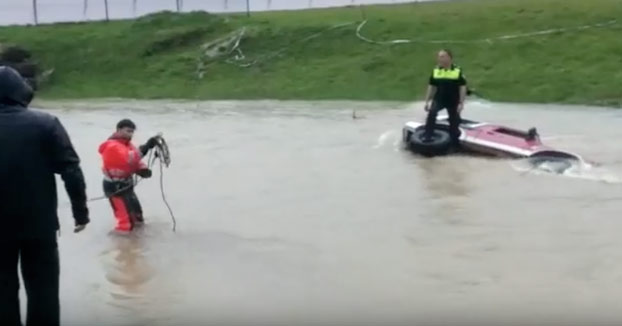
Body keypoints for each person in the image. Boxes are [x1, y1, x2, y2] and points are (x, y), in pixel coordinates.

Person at [0, 66, 90, 326]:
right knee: (44, 292)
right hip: (39, 227)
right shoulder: (45, 123)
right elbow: (71, 171)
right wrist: (80, 214)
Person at [98, 119, 160, 233]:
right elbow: (129, 159)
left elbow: (134, 160)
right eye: (128, 131)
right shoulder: (112, 146)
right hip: (115, 187)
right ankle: (121, 246)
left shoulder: (127, 144)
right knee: (125, 224)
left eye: (132, 132)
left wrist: (142, 169)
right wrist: (146, 147)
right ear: (119, 130)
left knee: (138, 218)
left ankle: (135, 244)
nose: (130, 134)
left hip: (126, 185)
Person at [422, 49, 468, 148]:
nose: (440, 59)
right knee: (432, 113)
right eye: (439, 57)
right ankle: (428, 136)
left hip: (453, 99)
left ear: (449, 58)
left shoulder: (457, 70)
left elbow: (463, 87)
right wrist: (426, 101)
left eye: (442, 56)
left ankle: (454, 141)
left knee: (453, 120)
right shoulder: (436, 71)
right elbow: (431, 86)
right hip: (439, 99)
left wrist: (461, 102)